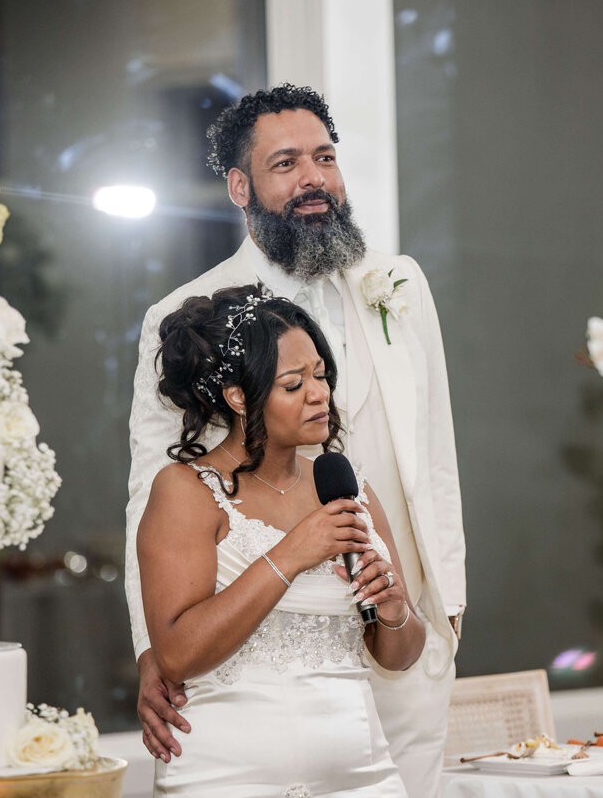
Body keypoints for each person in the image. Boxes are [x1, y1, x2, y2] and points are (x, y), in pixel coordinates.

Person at [125, 84, 466, 798]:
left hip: (395, 630)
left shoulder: (399, 285)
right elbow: (148, 493)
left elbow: (436, 454)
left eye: (325, 157)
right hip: (253, 655)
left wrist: (446, 604)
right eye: (286, 163)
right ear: (240, 186)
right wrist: (151, 650)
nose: (313, 177)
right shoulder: (183, 315)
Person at [139, 285, 423, 795]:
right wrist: (291, 553)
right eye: (294, 384)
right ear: (239, 396)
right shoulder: (187, 491)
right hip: (227, 778)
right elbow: (178, 655)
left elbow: (398, 656)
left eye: (320, 375)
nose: (320, 394)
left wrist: (396, 608)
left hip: (363, 778)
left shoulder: (348, 484)